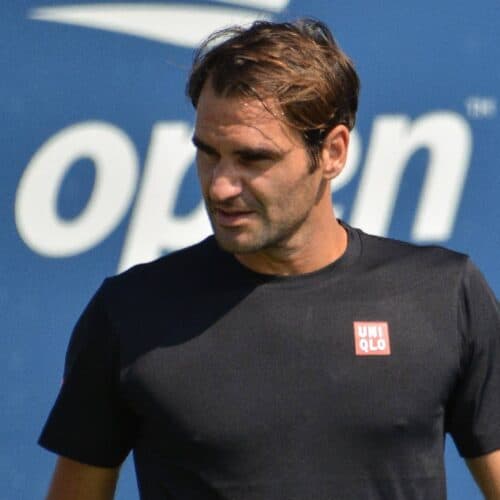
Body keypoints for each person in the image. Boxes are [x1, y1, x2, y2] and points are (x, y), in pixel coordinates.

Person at [39, 19, 500, 500]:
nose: (220, 186)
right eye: (208, 154)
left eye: (253, 159)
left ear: (333, 152)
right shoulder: (129, 313)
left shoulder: (446, 295)